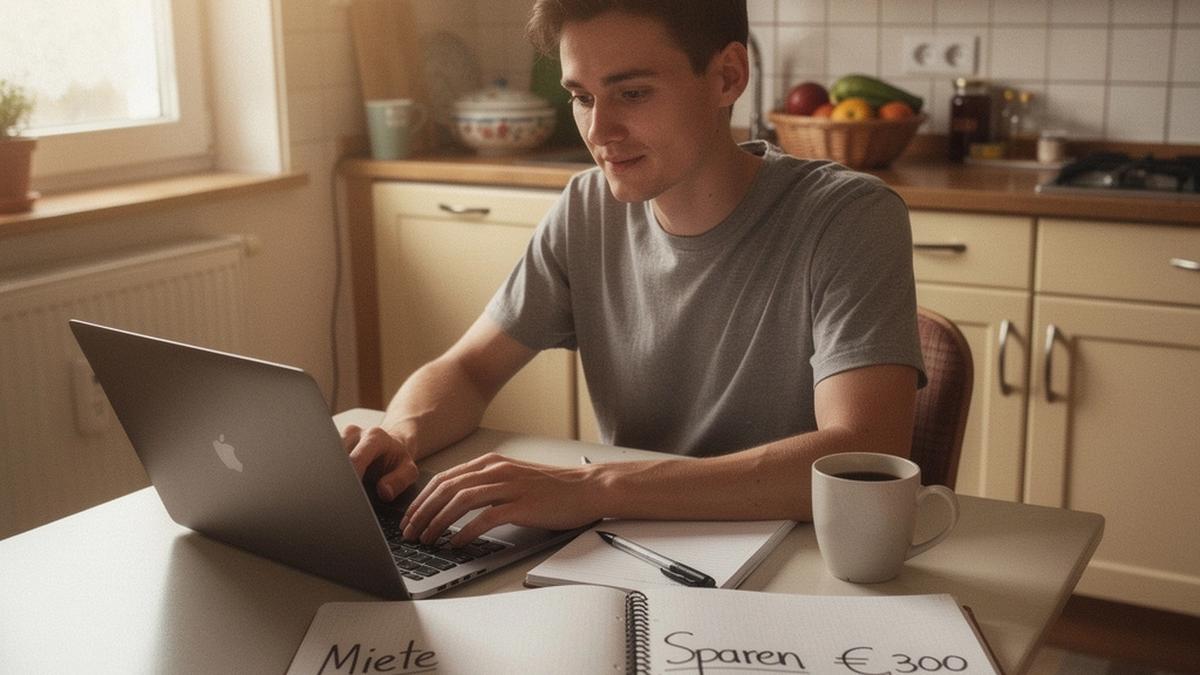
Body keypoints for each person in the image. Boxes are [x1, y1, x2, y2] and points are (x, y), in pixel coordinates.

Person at [342, 0, 925, 547]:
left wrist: (595, 488)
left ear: (727, 77)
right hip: (632, 548)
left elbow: (863, 452)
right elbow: (469, 369)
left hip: (801, 557)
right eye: (582, 97)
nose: (599, 132)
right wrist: (399, 435)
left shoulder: (847, 216)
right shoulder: (586, 208)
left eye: (633, 93)